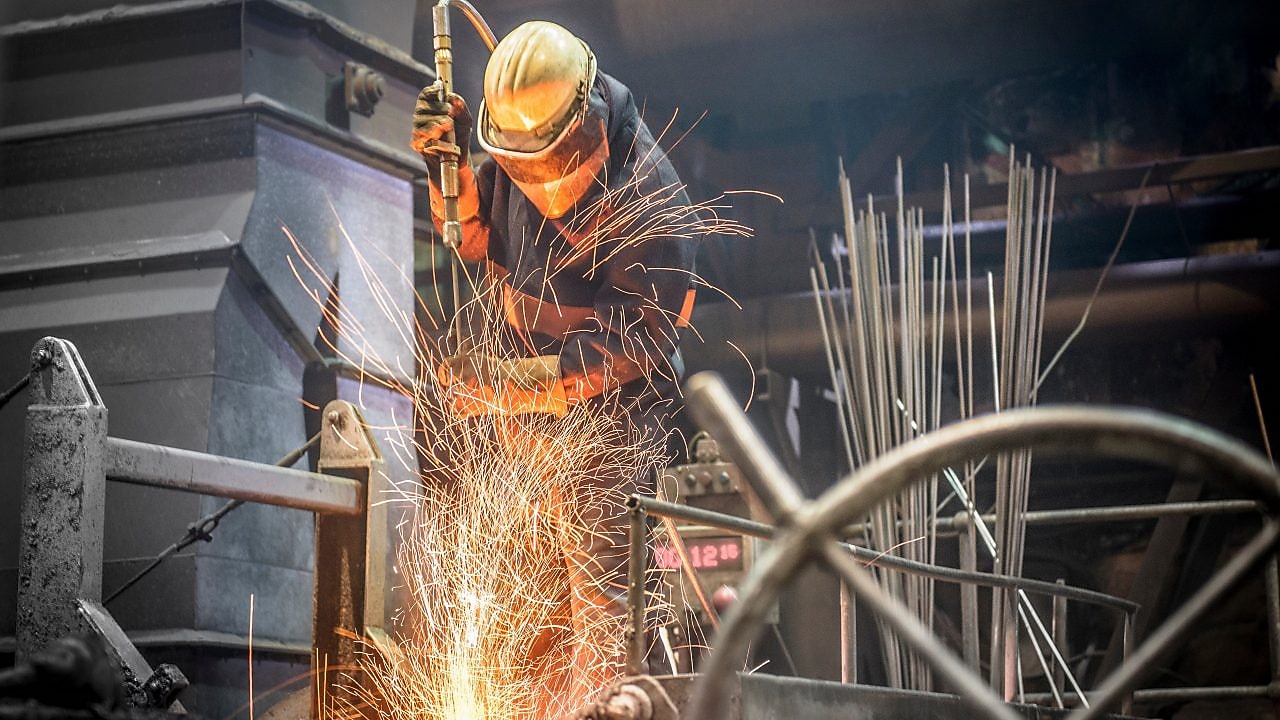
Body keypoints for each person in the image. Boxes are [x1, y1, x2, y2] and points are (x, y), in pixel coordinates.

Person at [411, 19, 698, 688]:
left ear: (589, 113)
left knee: (606, 621)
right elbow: (474, 237)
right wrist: (442, 162)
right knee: (525, 610)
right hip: (527, 420)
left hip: (612, 428)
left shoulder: (652, 200)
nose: (544, 184)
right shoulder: (516, 152)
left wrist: (510, 383)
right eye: (523, 167)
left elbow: (633, 343)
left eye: (554, 163)